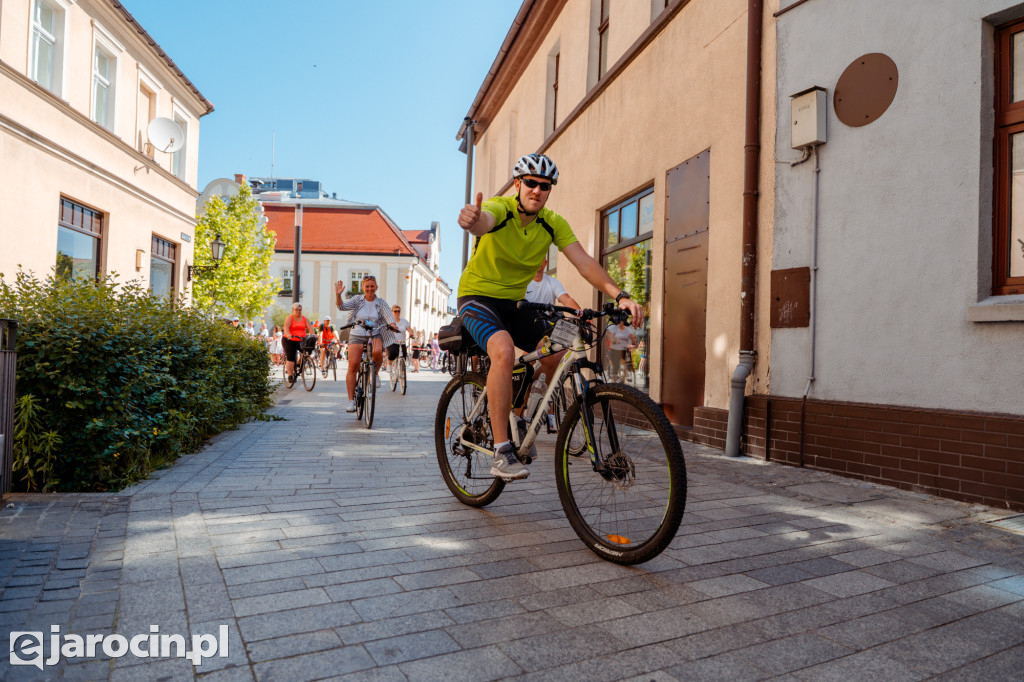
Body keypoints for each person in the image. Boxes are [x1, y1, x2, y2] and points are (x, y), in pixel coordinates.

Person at [457, 153, 643, 480]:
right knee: (502, 350)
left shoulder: (552, 222)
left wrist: (620, 295)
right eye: (530, 183)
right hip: (477, 298)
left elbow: (584, 261)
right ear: (518, 184)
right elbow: (484, 220)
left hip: (516, 304)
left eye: (545, 186)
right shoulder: (501, 207)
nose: (537, 191)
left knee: (557, 352)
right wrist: (474, 221)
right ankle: (501, 452)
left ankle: (519, 414)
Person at [525, 258, 582, 431]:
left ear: (546, 261)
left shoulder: (552, 282)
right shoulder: (525, 282)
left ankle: (547, 408)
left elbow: (567, 300)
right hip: (527, 328)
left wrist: (579, 314)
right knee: (525, 372)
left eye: (543, 257)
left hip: (546, 329)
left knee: (557, 359)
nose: (540, 260)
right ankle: (522, 411)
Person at [335, 275, 398, 413]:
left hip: (374, 333)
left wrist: (393, 325)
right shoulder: (358, 300)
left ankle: (374, 374)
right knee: (353, 365)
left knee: (377, 352)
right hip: (357, 334)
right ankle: (351, 400)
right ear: (363, 288)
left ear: (376, 287)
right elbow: (341, 307)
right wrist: (338, 295)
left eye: (372, 286)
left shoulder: (381, 303)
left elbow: (389, 317)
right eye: (367, 286)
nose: (370, 289)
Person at [281, 303, 313, 385]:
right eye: (296, 310)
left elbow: (310, 327)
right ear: (293, 310)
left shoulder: (304, 318)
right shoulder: (289, 318)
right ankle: (290, 375)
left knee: (307, 351)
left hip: (300, 340)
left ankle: (299, 364)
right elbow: (286, 327)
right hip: (289, 340)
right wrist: (288, 335)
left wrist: (313, 335)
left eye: (299, 310)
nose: (298, 311)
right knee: (291, 357)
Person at [385, 305, 414, 375]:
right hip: (392, 342)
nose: (397, 313)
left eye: (398, 311)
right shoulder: (389, 321)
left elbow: (409, 329)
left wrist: (411, 333)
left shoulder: (404, 321)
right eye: (395, 311)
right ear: (392, 312)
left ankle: (402, 375)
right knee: (393, 353)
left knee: (404, 356)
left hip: (402, 342)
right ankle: (389, 364)